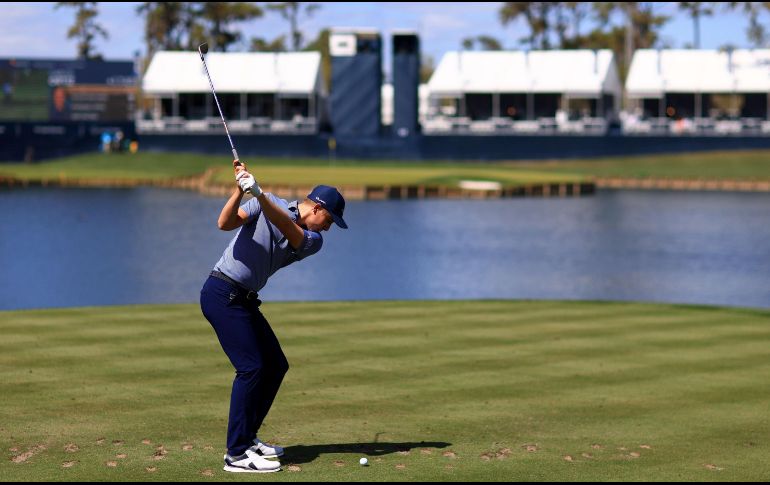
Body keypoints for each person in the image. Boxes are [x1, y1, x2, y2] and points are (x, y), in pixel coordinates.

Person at [200, 160, 348, 473]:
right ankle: (236, 454)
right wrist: (240, 190)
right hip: (221, 292)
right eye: (331, 219)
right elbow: (224, 224)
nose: (329, 227)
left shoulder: (312, 241)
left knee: (276, 365)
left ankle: (248, 436)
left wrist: (259, 193)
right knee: (252, 368)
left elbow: (288, 229)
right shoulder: (268, 203)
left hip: (243, 299)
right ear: (317, 209)